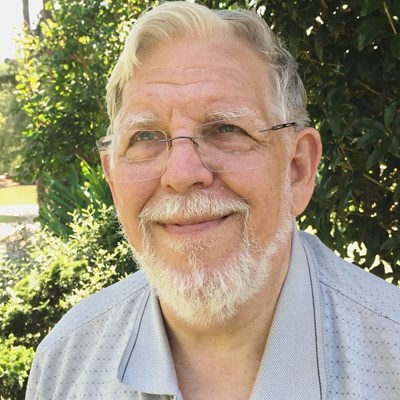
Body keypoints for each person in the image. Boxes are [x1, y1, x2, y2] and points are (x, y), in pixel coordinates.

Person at [26, 2, 400, 399]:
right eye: (145, 137)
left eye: (226, 128)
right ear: (114, 180)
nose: (181, 174)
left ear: (297, 169)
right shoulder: (65, 365)